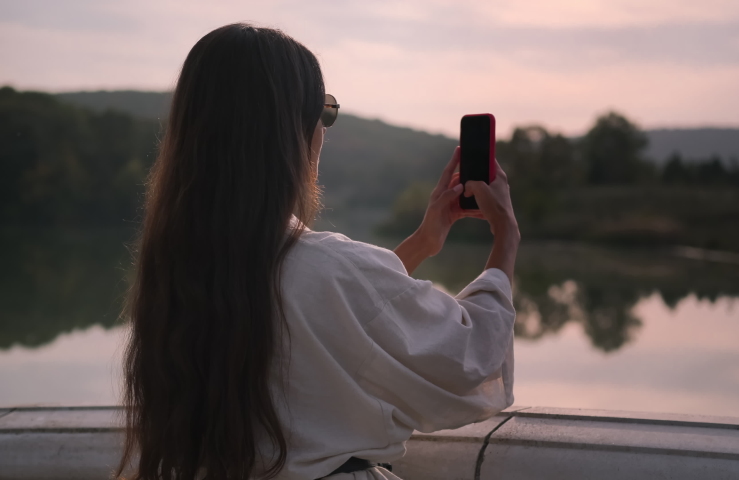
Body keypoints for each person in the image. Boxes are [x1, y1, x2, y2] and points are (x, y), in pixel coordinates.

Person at [118, 23, 518, 480]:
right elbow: (467, 364)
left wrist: (420, 245)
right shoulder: (326, 267)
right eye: (324, 113)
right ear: (291, 130)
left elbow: (321, 312)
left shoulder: (176, 270)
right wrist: (506, 238)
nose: (323, 131)